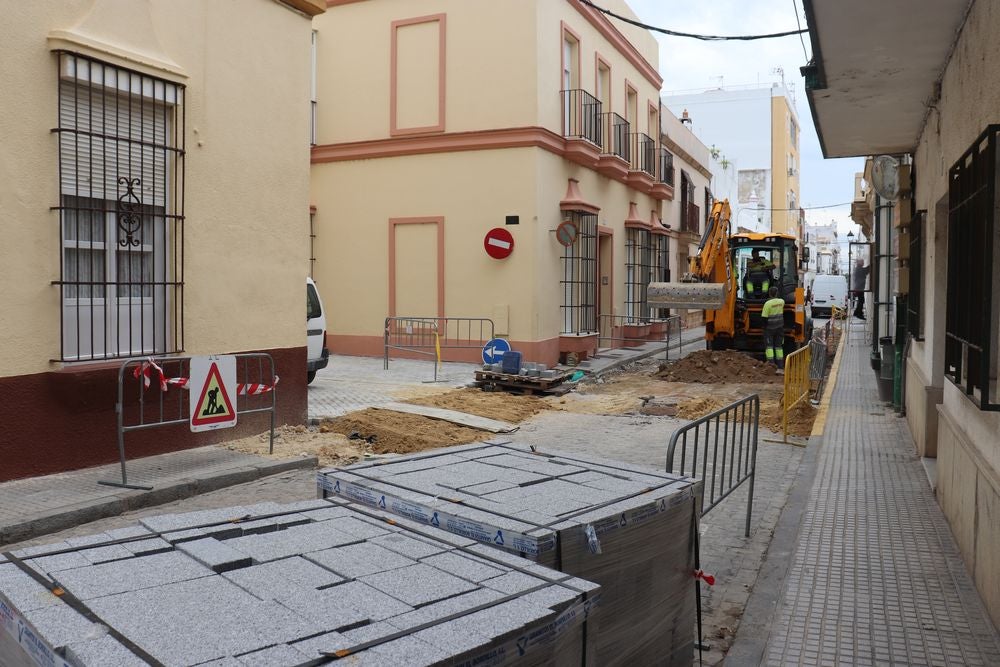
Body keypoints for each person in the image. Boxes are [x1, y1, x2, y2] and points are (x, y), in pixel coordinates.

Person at [762, 286, 786, 373]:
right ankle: (780, 367)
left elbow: (764, 318)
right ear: (777, 293)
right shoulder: (781, 302)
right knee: (779, 347)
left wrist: (764, 328)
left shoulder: (767, 304)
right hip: (779, 328)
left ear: (769, 293)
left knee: (769, 347)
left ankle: (771, 366)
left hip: (769, 329)